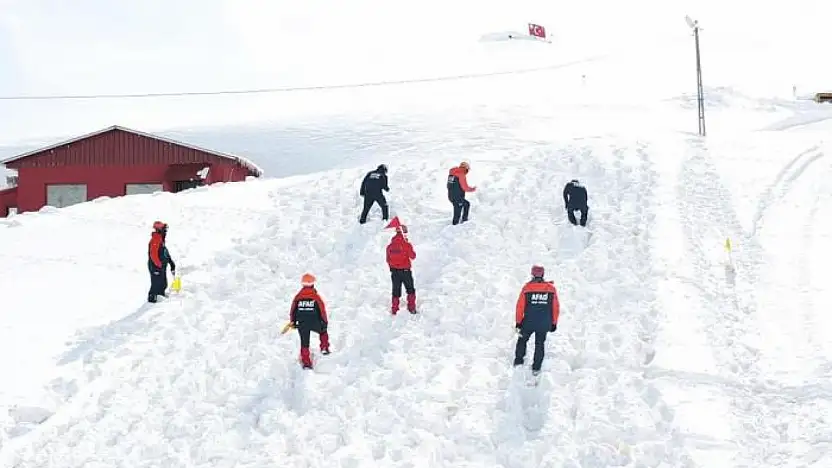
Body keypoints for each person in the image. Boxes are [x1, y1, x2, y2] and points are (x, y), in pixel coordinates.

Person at [514, 265, 560, 374]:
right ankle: (536, 367)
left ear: (532, 274)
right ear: (543, 274)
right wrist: (554, 323)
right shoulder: (551, 289)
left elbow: (520, 307)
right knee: (540, 344)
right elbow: (556, 307)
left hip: (528, 322)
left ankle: (518, 362)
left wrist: (518, 322)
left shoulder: (527, 288)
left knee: (522, 340)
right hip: (544, 323)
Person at [289, 273, 331, 369]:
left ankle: (306, 362)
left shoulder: (297, 297)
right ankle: (324, 347)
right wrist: (324, 322)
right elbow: (322, 310)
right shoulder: (316, 297)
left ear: (302, 284)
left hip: (302, 324)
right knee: (323, 331)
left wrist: (293, 321)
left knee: (304, 342)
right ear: (313, 284)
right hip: (314, 322)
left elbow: (293, 311)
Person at [385, 220, 417, 315]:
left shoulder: (389, 246)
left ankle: (394, 309)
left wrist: (393, 266)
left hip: (394, 272)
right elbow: (413, 256)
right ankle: (411, 308)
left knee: (396, 290)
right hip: (406, 271)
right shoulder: (406, 245)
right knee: (410, 289)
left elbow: (388, 260)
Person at [148, 221, 176, 303]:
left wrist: (170, 262)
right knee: (156, 285)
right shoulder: (156, 239)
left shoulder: (160, 239)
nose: (165, 231)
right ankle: (152, 303)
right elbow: (153, 254)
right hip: (155, 267)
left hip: (160, 267)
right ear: (159, 230)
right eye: (164, 229)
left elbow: (164, 252)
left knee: (163, 284)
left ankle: (161, 301)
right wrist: (159, 265)